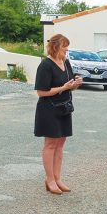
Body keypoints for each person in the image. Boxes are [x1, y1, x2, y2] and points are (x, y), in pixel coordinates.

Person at [34, 34, 82, 195]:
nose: (66, 51)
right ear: (55, 47)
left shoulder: (66, 62)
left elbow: (69, 84)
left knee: (60, 145)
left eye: (67, 48)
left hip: (64, 109)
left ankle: (57, 178)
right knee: (50, 144)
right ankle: (50, 179)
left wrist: (75, 84)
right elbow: (41, 92)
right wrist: (63, 88)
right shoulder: (45, 65)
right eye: (64, 48)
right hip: (49, 109)